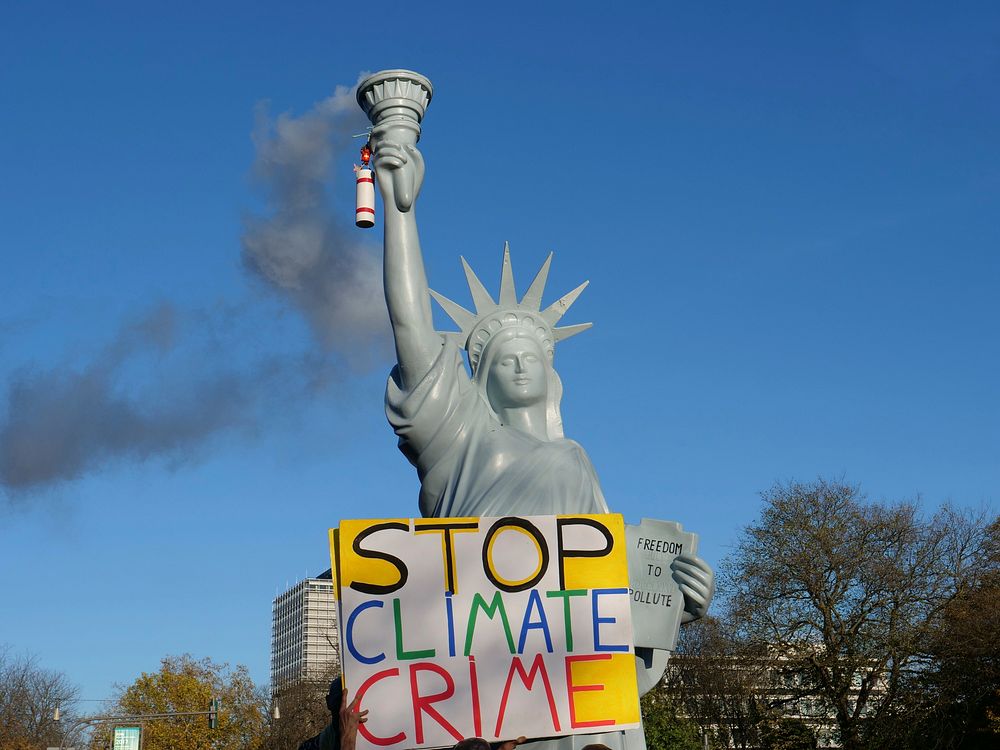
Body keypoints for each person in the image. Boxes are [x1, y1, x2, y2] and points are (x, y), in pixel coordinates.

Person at [372, 129, 712, 750]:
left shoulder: (575, 461)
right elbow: (410, 324)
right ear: (480, 376)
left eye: (532, 356)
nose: (521, 367)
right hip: (475, 675)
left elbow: (613, 589)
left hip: (566, 681)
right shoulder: (460, 438)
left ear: (552, 372)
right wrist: (402, 212)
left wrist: (675, 602)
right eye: (505, 359)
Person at [297, 680, 368, 750]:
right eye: (339, 700)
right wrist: (347, 741)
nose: (345, 711)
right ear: (328, 702)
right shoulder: (309, 747)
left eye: (351, 702)